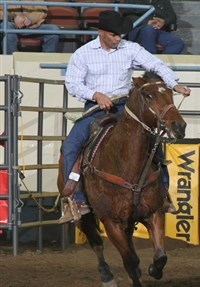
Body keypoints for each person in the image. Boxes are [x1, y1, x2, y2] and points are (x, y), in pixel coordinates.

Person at [60, 11, 191, 224]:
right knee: (70, 145)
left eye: (120, 34)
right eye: (114, 35)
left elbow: (156, 64)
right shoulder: (83, 54)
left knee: (153, 141)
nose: (118, 38)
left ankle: (162, 193)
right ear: (101, 32)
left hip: (124, 106)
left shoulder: (130, 49)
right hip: (95, 107)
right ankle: (75, 198)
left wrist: (173, 83)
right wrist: (95, 95)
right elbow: (73, 84)